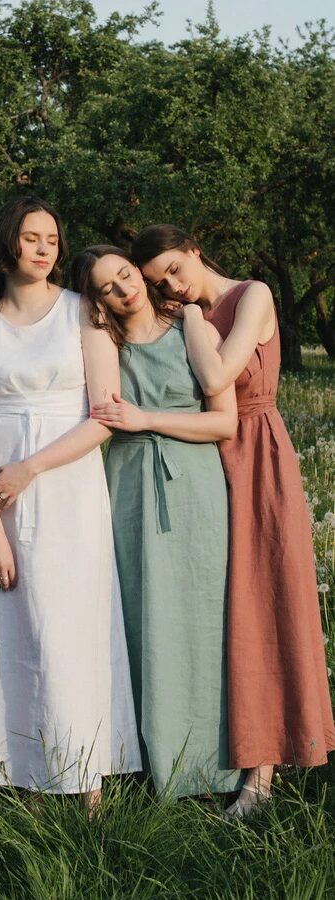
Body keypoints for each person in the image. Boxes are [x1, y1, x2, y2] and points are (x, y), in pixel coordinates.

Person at [132, 224, 335, 815]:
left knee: (260, 604)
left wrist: (193, 317)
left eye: (173, 267)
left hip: (255, 456)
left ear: (194, 249)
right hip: (202, 461)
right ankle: (198, 753)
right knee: (215, 612)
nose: (171, 283)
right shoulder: (178, 315)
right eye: (158, 281)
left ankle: (262, 775)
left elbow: (218, 377)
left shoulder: (253, 295)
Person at [0, 198, 141, 810]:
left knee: (70, 626)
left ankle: (87, 778)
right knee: (1, 627)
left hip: (67, 486)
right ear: (7, 243)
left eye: (53, 239)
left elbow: (106, 416)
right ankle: (18, 773)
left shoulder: (81, 312)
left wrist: (31, 469)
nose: (44, 248)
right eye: (32, 238)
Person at [73, 244, 244, 800]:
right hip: (125, 482)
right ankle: (148, 760)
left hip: (194, 482)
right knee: (139, 616)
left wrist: (146, 418)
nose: (125, 289)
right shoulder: (104, 344)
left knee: (200, 616)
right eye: (108, 287)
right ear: (97, 300)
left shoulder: (188, 327)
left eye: (126, 275)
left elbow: (224, 423)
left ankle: (210, 763)